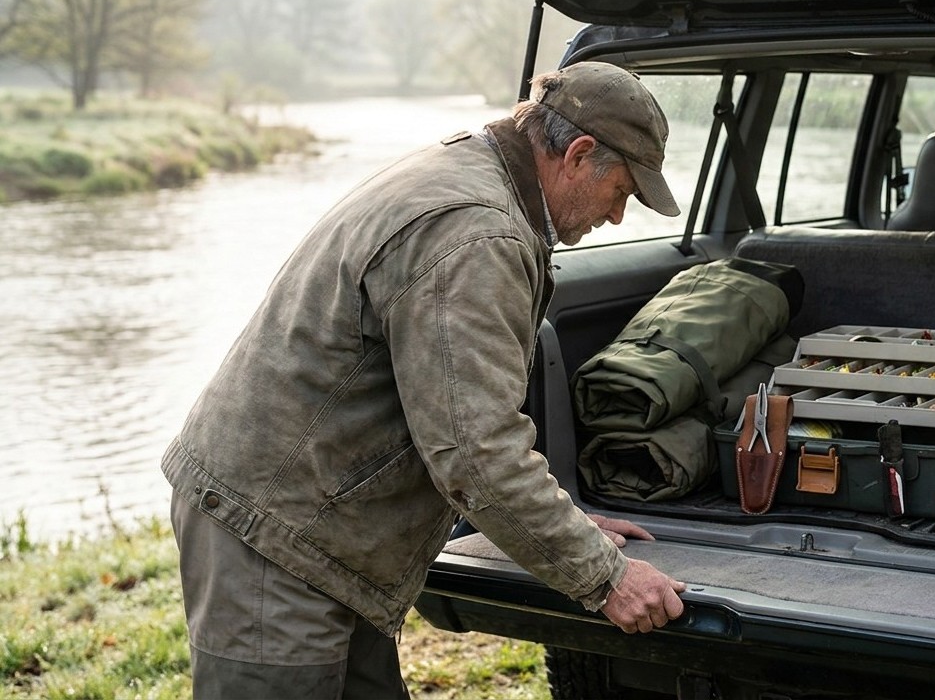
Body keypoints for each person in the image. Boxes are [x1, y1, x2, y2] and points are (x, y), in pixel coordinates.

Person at [162, 61, 688, 698]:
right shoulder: (477, 233)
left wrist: (563, 527)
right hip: (273, 531)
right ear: (577, 156)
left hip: (322, 525)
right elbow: (476, 453)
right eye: (621, 191)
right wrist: (606, 576)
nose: (617, 217)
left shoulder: (469, 166)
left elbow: (465, 430)